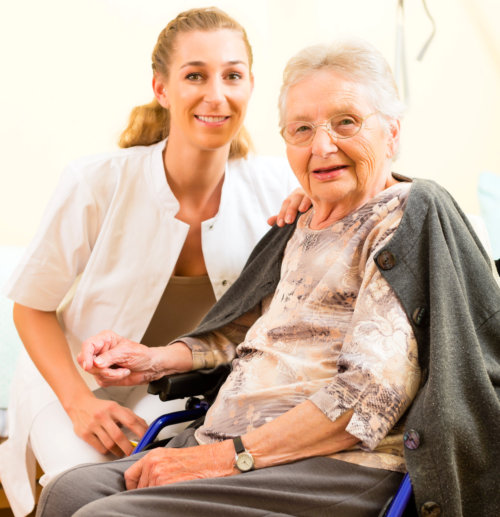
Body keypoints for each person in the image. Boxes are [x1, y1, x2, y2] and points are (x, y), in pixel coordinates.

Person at [37, 38, 500, 517]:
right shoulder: (296, 225)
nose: (322, 146)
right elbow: (245, 334)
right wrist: (153, 359)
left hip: (337, 466)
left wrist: (221, 458)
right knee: (67, 493)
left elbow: (367, 397)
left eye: (347, 122)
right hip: (237, 448)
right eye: (302, 129)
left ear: (393, 135)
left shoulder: (403, 219)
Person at [0, 7, 309, 517]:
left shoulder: (279, 191)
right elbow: (30, 307)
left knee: (158, 489)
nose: (216, 94)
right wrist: (80, 404)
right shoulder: (95, 182)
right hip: (74, 388)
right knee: (81, 484)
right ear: (162, 89)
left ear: (251, 85)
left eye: (232, 75)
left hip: (177, 384)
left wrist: (315, 200)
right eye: (195, 76)